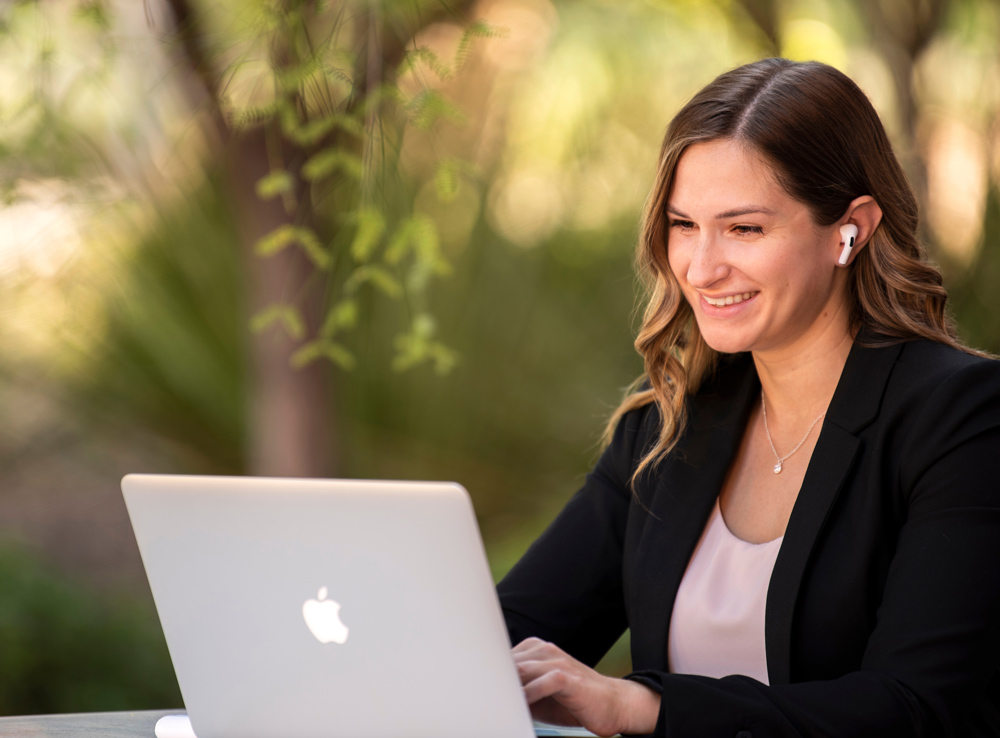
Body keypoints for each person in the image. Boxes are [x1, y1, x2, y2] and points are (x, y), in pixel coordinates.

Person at [496, 57, 1000, 737]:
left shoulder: (961, 417)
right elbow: (512, 630)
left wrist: (644, 706)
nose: (701, 268)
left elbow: (914, 709)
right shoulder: (672, 417)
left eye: (744, 229)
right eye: (683, 225)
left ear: (851, 230)